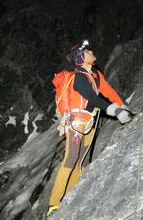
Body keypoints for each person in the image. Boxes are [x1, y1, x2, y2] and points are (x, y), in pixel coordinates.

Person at [47, 40, 132, 216]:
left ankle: (71, 197)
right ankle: (54, 204)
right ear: (80, 58)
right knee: (71, 159)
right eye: (88, 51)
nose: (92, 52)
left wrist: (122, 106)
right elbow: (90, 97)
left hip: (89, 123)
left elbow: (108, 91)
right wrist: (114, 110)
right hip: (77, 124)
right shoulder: (78, 77)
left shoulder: (95, 75)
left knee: (83, 162)